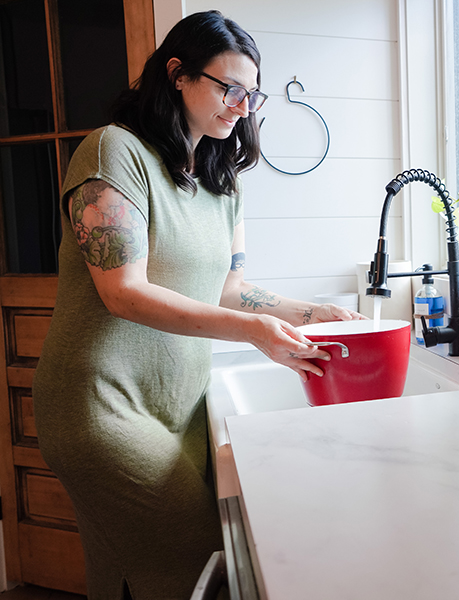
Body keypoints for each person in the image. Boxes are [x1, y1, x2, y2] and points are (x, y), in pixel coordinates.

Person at [32, 11, 361, 599]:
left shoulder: (221, 180)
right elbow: (122, 291)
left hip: (180, 405)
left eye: (251, 94)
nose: (242, 106)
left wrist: (311, 314)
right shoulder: (114, 152)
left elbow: (229, 289)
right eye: (229, 88)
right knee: (202, 566)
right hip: (100, 404)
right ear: (178, 74)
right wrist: (254, 331)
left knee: (130, 569)